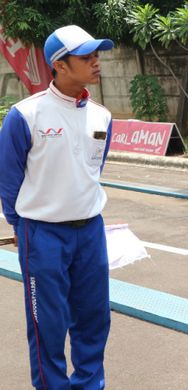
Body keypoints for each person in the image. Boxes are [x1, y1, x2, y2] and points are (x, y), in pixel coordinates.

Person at [0, 25, 115, 389]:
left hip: (91, 231)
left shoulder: (102, 116)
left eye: (97, 55)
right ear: (60, 65)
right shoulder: (25, 115)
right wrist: (22, 226)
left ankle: (89, 383)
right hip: (43, 234)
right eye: (86, 57)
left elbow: (94, 168)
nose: (96, 63)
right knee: (47, 324)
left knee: (94, 318)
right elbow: (7, 179)